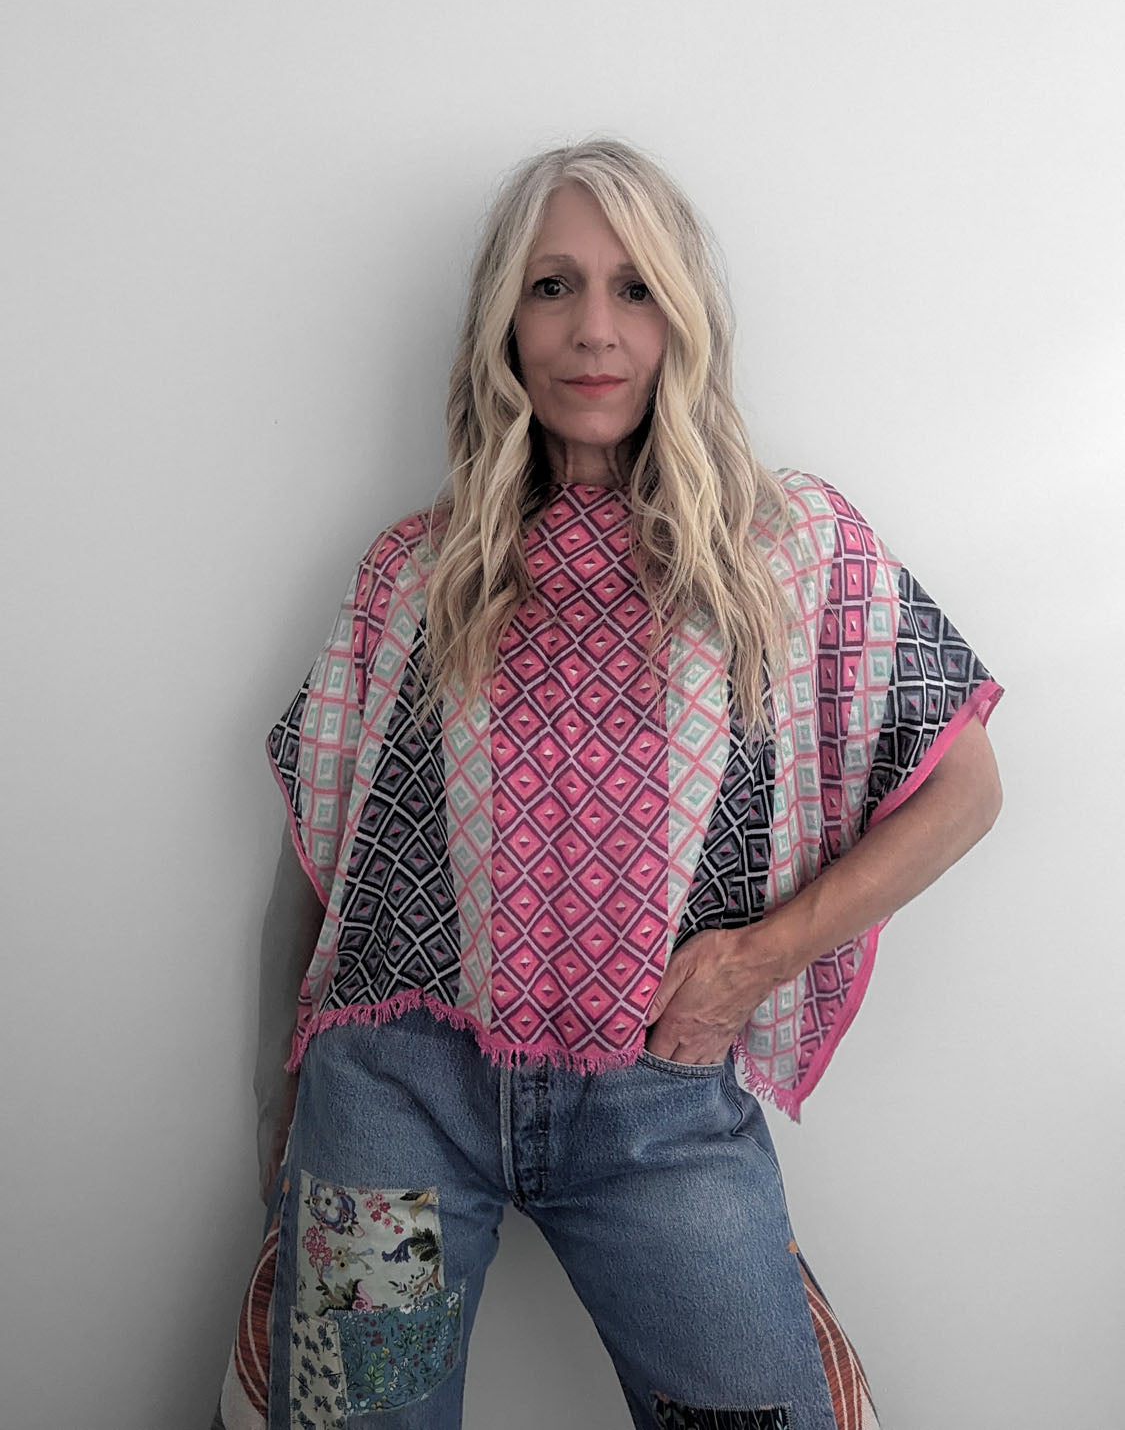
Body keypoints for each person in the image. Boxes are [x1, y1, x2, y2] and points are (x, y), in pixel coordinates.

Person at [213, 139, 1002, 1430]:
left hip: (653, 1109)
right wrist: (277, 1104)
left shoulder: (783, 549)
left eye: (635, 289)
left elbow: (962, 793)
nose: (593, 330)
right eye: (552, 287)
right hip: (396, 1096)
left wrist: (751, 962)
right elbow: (318, 858)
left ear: (681, 319)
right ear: (501, 324)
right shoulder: (414, 574)